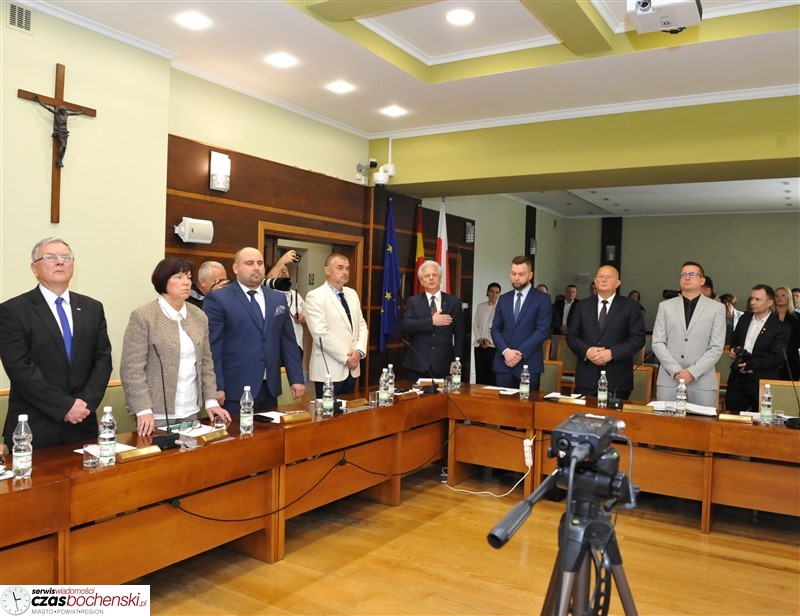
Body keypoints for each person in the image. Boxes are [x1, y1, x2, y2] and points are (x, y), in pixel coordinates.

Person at [0, 237, 112, 450]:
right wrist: (65, 406)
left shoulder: (92, 308)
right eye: (50, 257)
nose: (60, 261)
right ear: (34, 268)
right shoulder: (13, 310)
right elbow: (19, 368)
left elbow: (103, 361)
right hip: (34, 428)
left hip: (82, 423)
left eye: (66, 257)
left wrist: (84, 405)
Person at [120, 258, 231, 435]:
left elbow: (206, 362)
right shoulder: (144, 316)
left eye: (188, 277)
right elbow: (131, 369)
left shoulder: (199, 315)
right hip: (155, 411)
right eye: (178, 277)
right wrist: (142, 409)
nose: (186, 282)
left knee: (191, 451)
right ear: (163, 281)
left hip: (190, 408)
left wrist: (211, 400)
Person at [203, 247, 304, 413]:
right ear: (236, 268)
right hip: (234, 388)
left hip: (269, 387)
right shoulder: (219, 298)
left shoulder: (277, 298)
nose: (256, 268)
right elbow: (213, 347)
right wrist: (216, 386)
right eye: (250, 263)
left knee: (270, 430)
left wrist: (296, 378)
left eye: (260, 263)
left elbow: (288, 342)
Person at [651, 261, 726, 407]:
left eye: (692, 274)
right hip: (669, 380)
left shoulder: (717, 308)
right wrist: (676, 371)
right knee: (666, 420)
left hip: (702, 382)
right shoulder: (665, 306)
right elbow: (658, 342)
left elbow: (716, 347)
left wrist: (692, 372)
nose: (687, 277)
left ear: (702, 281)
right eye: (683, 274)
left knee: (701, 421)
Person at [567, 265, 646, 401]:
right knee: (585, 414)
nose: (604, 280)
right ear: (595, 281)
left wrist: (612, 353)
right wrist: (587, 351)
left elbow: (637, 339)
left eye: (609, 277)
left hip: (617, 380)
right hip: (587, 378)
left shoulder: (630, 306)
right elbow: (572, 336)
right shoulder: (582, 306)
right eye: (601, 276)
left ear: (618, 282)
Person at [305, 253, 368, 397]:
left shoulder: (352, 294)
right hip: (328, 369)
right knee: (327, 410)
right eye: (340, 268)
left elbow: (361, 325)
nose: (345, 272)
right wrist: (348, 358)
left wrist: (358, 351)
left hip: (352, 369)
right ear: (327, 270)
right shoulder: (315, 296)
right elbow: (320, 334)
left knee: (348, 408)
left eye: (347, 268)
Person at [725, 285, 790, 412]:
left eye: (757, 299)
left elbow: (778, 357)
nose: (752, 302)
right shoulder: (744, 319)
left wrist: (750, 364)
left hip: (762, 381)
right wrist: (733, 349)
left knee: (761, 419)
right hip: (738, 379)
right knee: (732, 416)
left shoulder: (780, 328)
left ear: (769, 302)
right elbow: (734, 340)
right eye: (751, 298)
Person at [491, 256, 552, 390]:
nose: (516, 278)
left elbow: (542, 331)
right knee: (502, 403)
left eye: (521, 274)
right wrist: (506, 351)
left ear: (530, 275)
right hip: (504, 364)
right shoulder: (503, 299)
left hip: (529, 364)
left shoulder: (542, 299)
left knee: (527, 402)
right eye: (513, 274)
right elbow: (495, 328)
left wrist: (519, 353)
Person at [403, 260, 465, 382]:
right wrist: (431, 321)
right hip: (418, 363)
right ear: (421, 281)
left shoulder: (454, 302)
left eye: (434, 275)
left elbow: (460, 334)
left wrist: (456, 360)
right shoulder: (413, 301)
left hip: (444, 363)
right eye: (427, 276)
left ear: (440, 279)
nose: (431, 278)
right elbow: (406, 325)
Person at [35, 97, 85, 167]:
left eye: (65, 110)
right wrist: (40, 101)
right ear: (61, 110)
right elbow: (47, 108)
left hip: (65, 132)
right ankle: (59, 160)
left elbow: (75, 113)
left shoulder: (66, 114)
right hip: (59, 131)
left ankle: (60, 160)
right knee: (63, 144)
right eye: (64, 110)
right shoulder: (57, 113)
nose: (65, 111)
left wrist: (81, 112)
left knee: (64, 147)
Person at [473, 282, 501, 385]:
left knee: (492, 375)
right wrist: (479, 339)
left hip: (493, 346)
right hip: (479, 345)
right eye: (492, 292)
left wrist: (490, 341)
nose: (494, 295)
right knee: (480, 373)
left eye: (497, 292)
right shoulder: (481, 306)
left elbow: (501, 328)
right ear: (487, 293)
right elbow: (475, 324)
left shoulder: (500, 308)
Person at [772, 285, 800, 380]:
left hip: (790, 359)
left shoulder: (797, 317)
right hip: (771, 359)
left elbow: (798, 340)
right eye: (777, 295)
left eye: (783, 295)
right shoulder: (769, 317)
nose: (780, 298)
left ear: (789, 298)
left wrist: (784, 353)